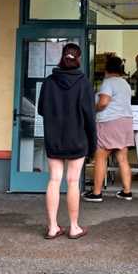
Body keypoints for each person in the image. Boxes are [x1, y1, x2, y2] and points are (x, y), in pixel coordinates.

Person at [37, 43, 96, 240]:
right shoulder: (84, 83)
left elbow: (41, 109)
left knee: (54, 180)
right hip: (77, 139)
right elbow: (89, 116)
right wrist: (93, 144)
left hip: (54, 138)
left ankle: (53, 227)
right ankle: (73, 227)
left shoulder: (49, 82)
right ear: (78, 59)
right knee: (73, 181)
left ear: (62, 57)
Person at [84, 55, 134, 203]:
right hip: (125, 122)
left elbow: (104, 102)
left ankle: (97, 193)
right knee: (122, 158)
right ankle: (127, 191)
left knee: (100, 157)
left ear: (106, 68)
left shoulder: (108, 82)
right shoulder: (125, 83)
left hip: (109, 122)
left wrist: (93, 109)